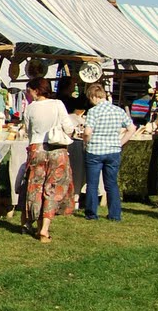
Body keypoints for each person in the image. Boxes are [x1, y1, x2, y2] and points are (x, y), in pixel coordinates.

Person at [20, 75, 73, 243]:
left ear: (36, 91)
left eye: (30, 91)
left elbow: (28, 130)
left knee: (35, 187)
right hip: (57, 150)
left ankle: (34, 221)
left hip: (37, 149)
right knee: (53, 188)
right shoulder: (57, 104)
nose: (29, 94)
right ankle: (44, 228)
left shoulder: (30, 108)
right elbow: (69, 127)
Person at [81, 83, 134, 222]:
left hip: (95, 150)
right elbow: (131, 128)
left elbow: (87, 132)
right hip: (113, 150)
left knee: (92, 183)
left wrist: (85, 141)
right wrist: (120, 142)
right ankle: (115, 214)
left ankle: (91, 213)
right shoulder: (118, 110)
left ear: (94, 96)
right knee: (111, 183)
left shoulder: (93, 111)